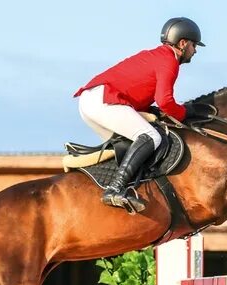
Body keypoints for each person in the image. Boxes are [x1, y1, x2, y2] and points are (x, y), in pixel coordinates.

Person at [74, 17, 206, 213]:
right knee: (151, 136)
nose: (195, 51)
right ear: (183, 43)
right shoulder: (169, 61)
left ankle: (118, 188)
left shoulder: (157, 55)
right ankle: (114, 189)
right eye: (194, 45)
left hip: (92, 101)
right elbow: (165, 101)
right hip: (104, 100)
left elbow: (149, 99)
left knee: (128, 147)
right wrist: (186, 112)